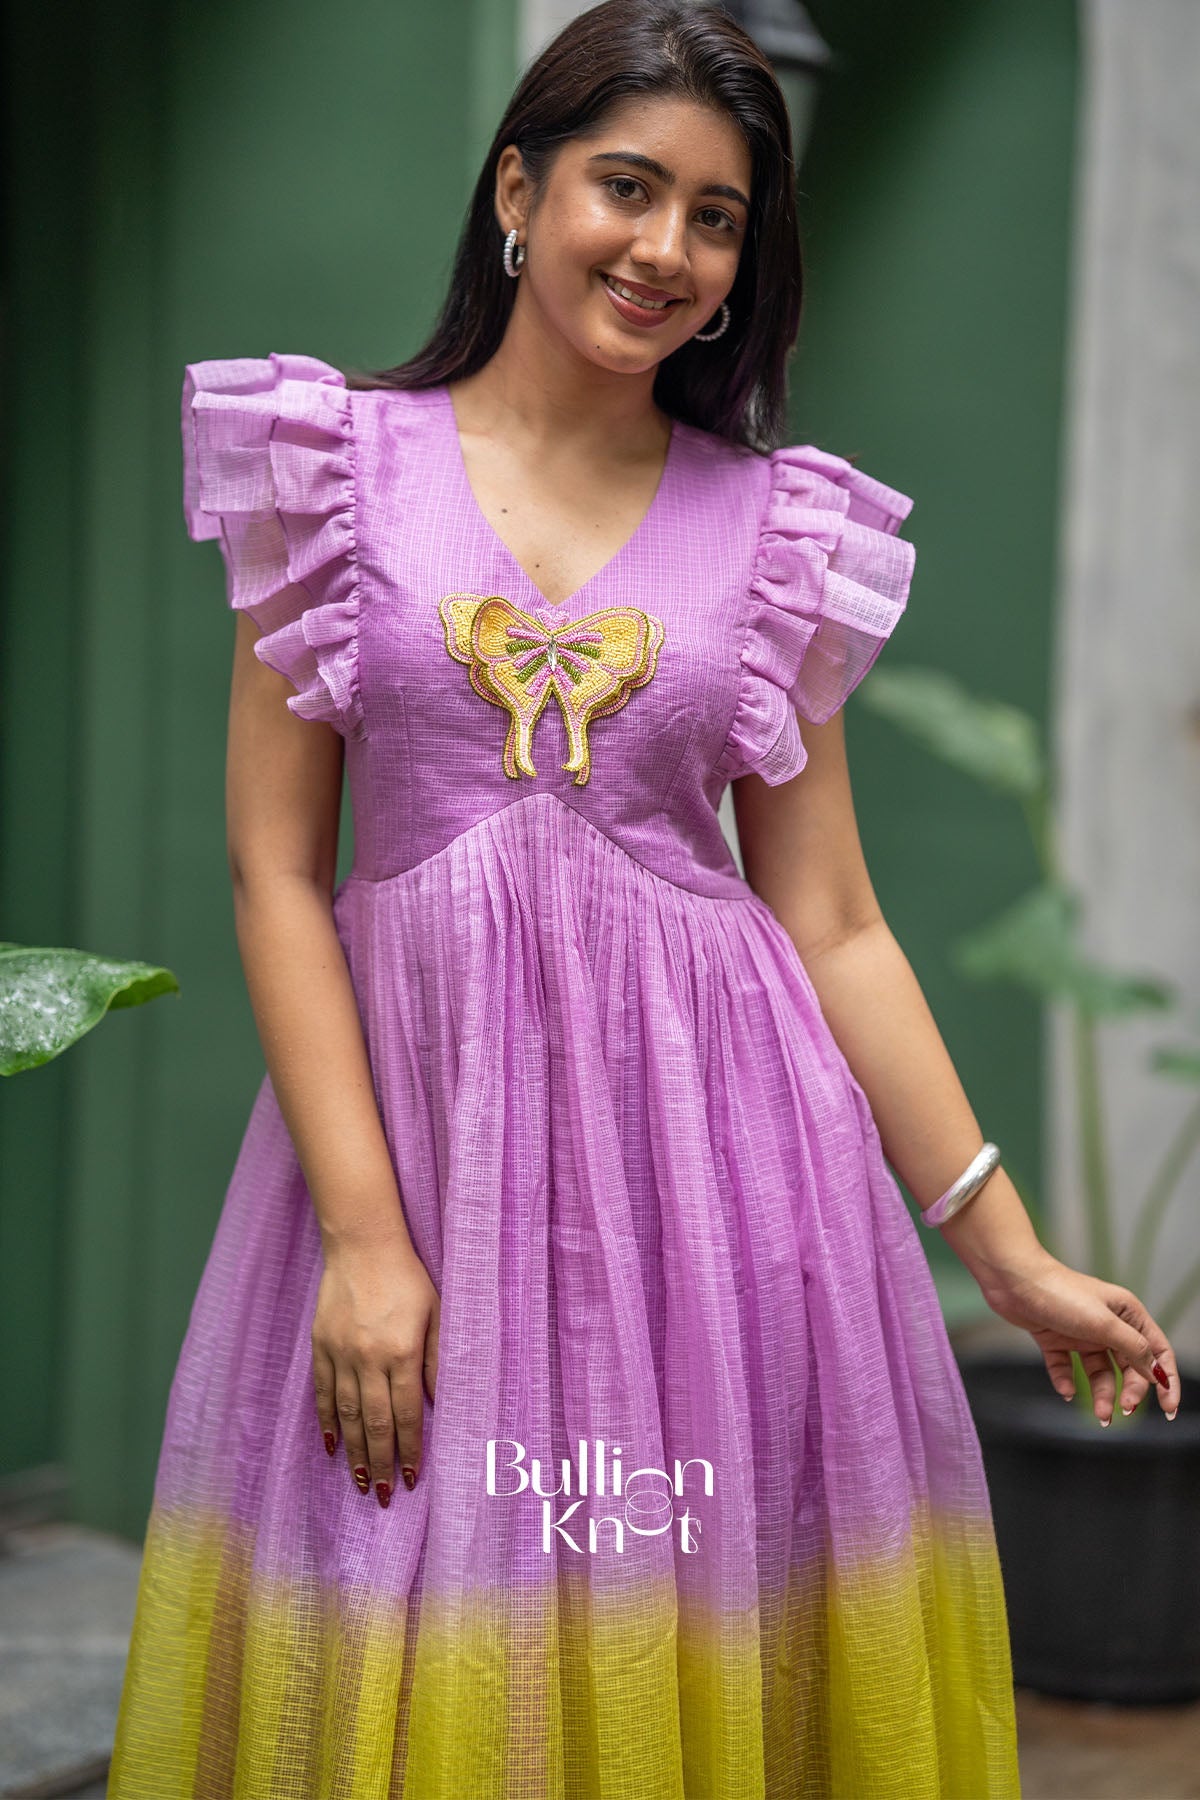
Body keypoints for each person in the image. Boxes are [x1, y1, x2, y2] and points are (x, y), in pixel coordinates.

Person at [108, 2, 1180, 1794]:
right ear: (518, 190)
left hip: (716, 1198)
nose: (667, 247)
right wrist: (368, 1242)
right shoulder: (335, 472)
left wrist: (1008, 1250)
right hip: (415, 1168)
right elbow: (276, 876)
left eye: (717, 216)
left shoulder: (775, 529)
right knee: (410, 1652)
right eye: (629, 186)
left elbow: (833, 922)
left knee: (683, 1651)